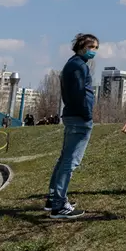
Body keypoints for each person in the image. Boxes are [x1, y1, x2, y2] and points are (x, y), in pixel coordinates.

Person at [44, 33, 99, 219]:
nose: (94, 52)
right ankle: (59, 205)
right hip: (79, 117)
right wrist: (87, 114)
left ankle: (53, 198)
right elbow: (79, 94)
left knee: (64, 159)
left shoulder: (73, 64)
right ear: (83, 46)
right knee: (70, 162)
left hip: (73, 115)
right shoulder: (78, 66)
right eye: (93, 47)